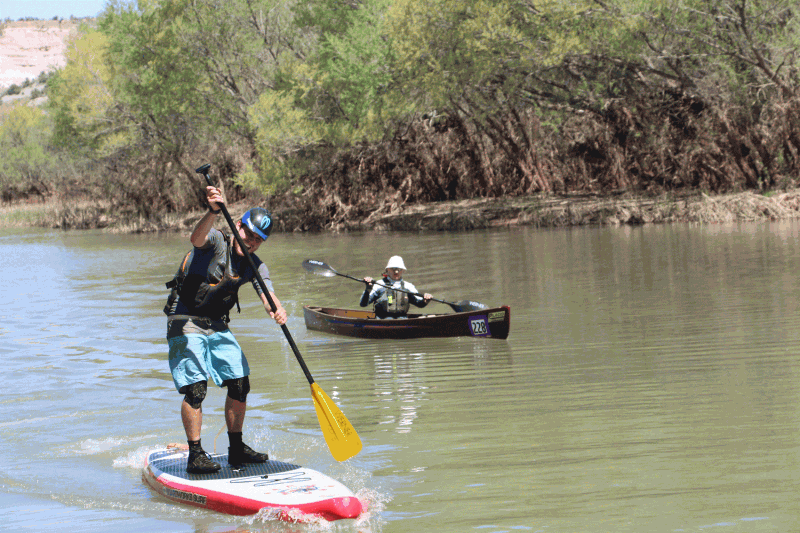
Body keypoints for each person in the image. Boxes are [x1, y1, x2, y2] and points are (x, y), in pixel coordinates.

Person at [163, 185, 288, 474]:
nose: (252, 242)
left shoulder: (255, 265)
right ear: (239, 226)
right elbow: (196, 238)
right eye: (248, 234)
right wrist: (212, 211)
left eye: (259, 240)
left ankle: (236, 449)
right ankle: (195, 454)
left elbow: (268, 296)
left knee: (240, 382)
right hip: (185, 320)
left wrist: (277, 311)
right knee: (196, 387)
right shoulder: (217, 241)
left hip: (217, 324)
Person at [359, 256, 433, 318]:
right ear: (387, 269)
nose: (396, 272)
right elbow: (363, 304)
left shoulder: (408, 286)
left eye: (399, 269)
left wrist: (425, 301)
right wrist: (368, 289)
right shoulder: (378, 285)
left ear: (403, 270)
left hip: (402, 321)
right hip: (382, 320)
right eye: (393, 269)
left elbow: (419, 304)